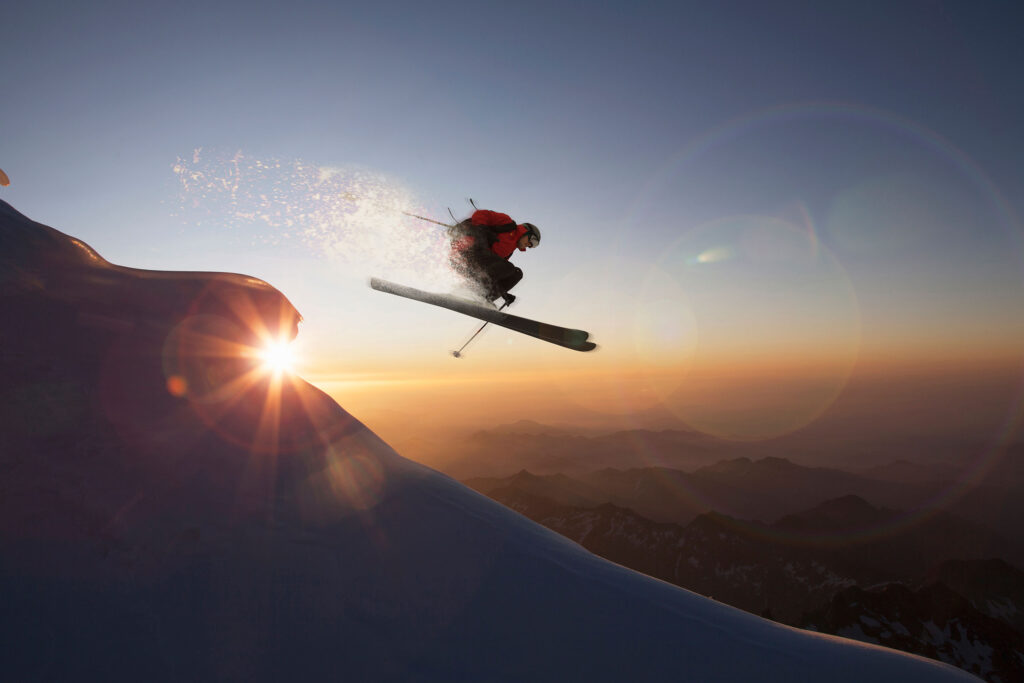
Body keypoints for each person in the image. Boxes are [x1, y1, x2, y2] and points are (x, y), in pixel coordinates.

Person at [448, 209, 541, 306]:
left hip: (473, 266)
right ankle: (469, 291)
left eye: (533, 245)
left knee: (516, 274)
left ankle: (484, 298)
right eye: (533, 240)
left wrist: (502, 292)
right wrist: (482, 231)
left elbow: (494, 273)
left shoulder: (509, 251)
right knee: (508, 268)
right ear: (525, 231)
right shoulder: (507, 223)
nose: (530, 245)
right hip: (467, 250)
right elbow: (480, 214)